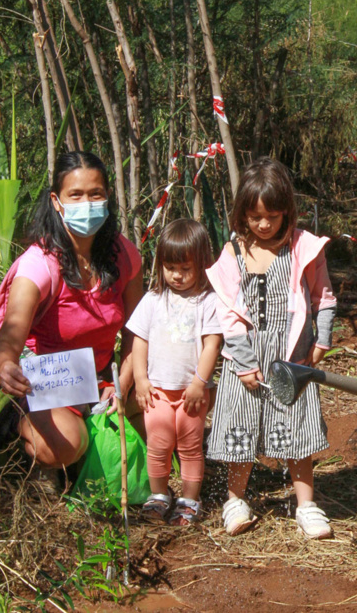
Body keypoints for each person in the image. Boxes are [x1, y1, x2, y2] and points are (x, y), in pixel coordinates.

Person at [206, 158, 337, 538]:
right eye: (254, 216)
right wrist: (244, 363)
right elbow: (227, 312)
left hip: (291, 359)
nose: (263, 225)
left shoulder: (304, 248)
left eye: (272, 216)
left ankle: (306, 505)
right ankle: (235, 500)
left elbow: (323, 297)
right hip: (243, 361)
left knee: (297, 427)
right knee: (240, 429)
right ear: (242, 214)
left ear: (286, 212)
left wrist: (321, 342)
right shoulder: (233, 252)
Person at [0, 151, 143, 473]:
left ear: (108, 197)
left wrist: (124, 383)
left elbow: (137, 331)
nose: (86, 203)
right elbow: (12, 332)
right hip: (44, 382)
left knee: (163, 410)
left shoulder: (124, 256)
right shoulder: (39, 264)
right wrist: (5, 365)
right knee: (68, 444)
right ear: (57, 202)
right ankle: (16, 421)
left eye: (95, 194)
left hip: (101, 379)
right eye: (76, 195)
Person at [126, 219, 222, 525]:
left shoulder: (207, 302)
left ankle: (190, 500)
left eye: (185, 268)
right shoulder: (153, 299)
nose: (177, 276)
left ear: (202, 264)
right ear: (160, 265)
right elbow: (139, 341)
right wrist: (140, 380)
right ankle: (159, 496)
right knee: (158, 443)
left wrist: (199, 383)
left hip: (192, 393)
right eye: (170, 267)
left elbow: (212, 345)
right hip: (156, 391)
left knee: (190, 445)